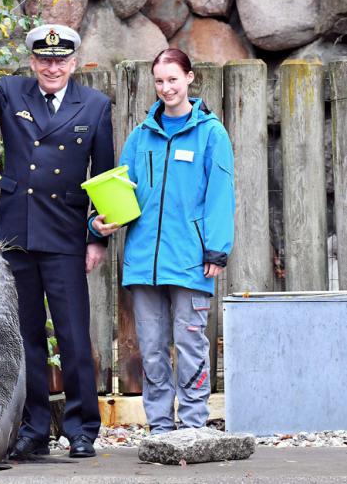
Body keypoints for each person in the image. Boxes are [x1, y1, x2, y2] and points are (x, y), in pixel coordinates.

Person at [0, 24, 114, 458]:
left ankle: (82, 429)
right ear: (33, 62)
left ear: (74, 63)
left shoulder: (95, 105)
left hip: (65, 235)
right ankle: (34, 429)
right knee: (26, 339)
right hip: (18, 234)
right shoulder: (11, 92)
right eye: (44, 60)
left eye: (61, 60)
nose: (52, 67)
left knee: (73, 337)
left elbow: (103, 178)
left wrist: (97, 239)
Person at [91, 48, 235, 435]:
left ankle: (191, 425)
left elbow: (221, 194)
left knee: (190, 347)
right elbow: (122, 193)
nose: (166, 87)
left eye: (173, 79)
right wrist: (100, 222)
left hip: (190, 261)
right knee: (151, 350)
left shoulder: (210, 133)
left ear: (189, 78)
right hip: (143, 263)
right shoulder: (141, 137)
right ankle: (160, 429)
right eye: (159, 81)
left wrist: (216, 249)